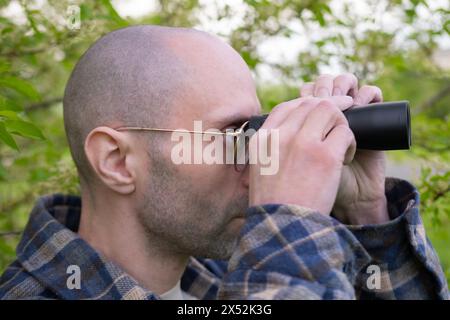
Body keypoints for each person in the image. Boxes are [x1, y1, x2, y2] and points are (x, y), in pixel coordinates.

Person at [0, 25, 447, 300]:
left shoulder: (223, 280)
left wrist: (364, 211)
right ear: (117, 160)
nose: (259, 160)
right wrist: (292, 222)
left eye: (258, 130)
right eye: (235, 136)